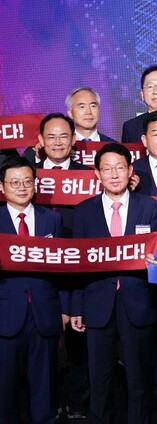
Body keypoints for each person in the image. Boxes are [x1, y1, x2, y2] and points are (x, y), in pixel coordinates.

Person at [70, 143, 157, 423]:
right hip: (97, 301)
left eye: (120, 167)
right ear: (97, 173)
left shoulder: (148, 206)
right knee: (99, 377)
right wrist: (77, 306)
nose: (114, 174)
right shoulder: (83, 211)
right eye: (107, 169)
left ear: (130, 170)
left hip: (138, 301)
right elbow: (77, 263)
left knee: (138, 376)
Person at [0, 157, 65, 424]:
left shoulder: (53, 219)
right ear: (2, 187)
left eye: (28, 181)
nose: (22, 187)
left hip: (44, 313)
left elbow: (64, 266)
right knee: (5, 390)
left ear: (35, 184)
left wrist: (65, 309)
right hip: (5, 315)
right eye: (14, 182)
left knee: (44, 388)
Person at [35, 113, 91, 419]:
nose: (58, 142)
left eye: (64, 136)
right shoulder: (26, 176)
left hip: (78, 270)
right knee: (41, 347)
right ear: (41, 141)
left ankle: (78, 403)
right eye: (51, 137)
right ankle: (48, 403)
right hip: (38, 274)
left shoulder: (90, 176)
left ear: (73, 140)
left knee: (79, 343)